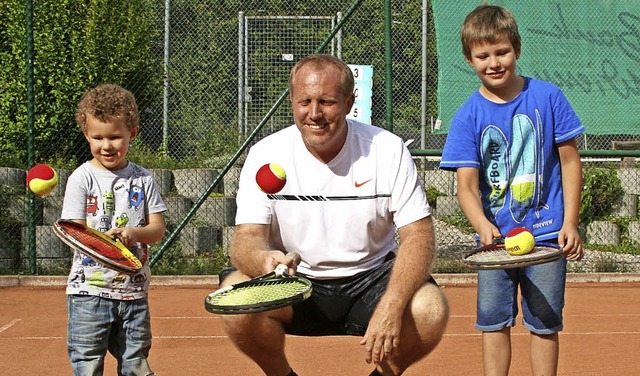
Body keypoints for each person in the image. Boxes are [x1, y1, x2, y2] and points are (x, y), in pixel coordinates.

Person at [219, 54, 449, 376]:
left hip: (371, 279)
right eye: (305, 102)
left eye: (326, 101)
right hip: (293, 284)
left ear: (349, 101)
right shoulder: (265, 154)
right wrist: (264, 260)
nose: (314, 114)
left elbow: (418, 235)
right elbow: (247, 239)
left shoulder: (387, 149)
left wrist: (393, 303)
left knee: (429, 308)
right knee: (235, 294)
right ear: (292, 101)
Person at [439, 5, 584, 376]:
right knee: (493, 323)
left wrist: (570, 221)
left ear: (516, 49)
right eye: (482, 55)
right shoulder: (466, 116)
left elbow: (570, 163)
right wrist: (484, 228)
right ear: (469, 59)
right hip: (495, 247)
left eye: (501, 51)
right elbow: (467, 188)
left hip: (549, 239)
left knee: (545, 325)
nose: (494, 62)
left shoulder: (549, 97)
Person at [61, 83, 167, 376]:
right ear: (86, 135)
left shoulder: (143, 179)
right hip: (89, 291)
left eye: (115, 137)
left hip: (134, 294)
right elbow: (76, 233)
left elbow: (157, 229)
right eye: (98, 137)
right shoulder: (80, 178)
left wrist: (133, 233)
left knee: (136, 366)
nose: (107, 146)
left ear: (132, 133)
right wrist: (102, 244)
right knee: (88, 364)